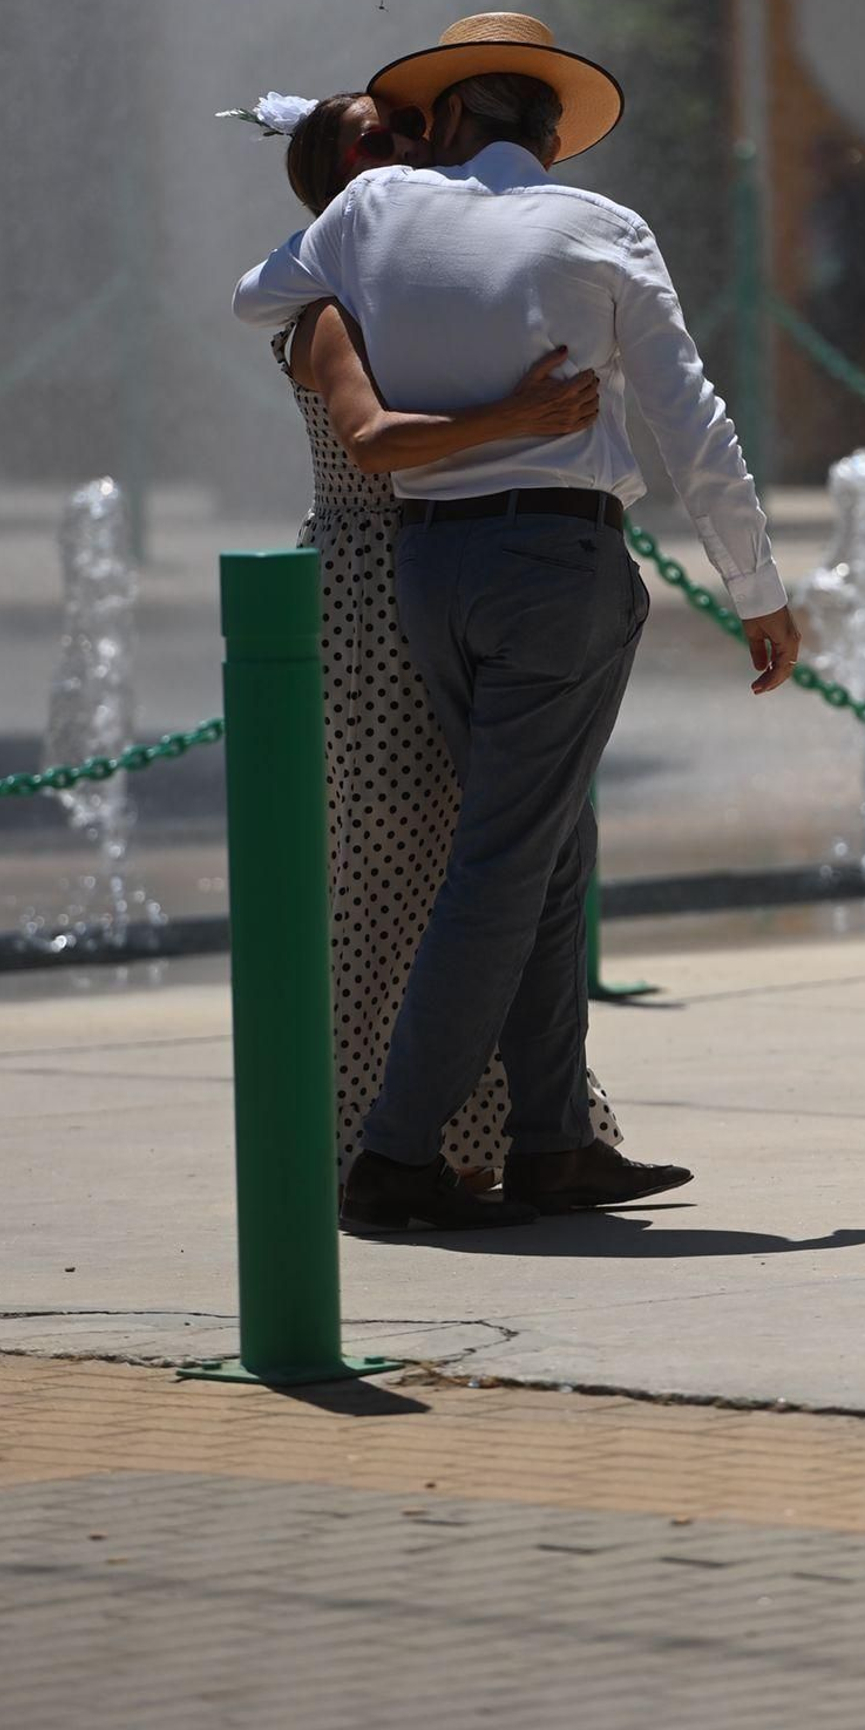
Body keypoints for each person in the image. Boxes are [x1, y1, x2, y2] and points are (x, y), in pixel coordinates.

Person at [235, 13, 800, 1235]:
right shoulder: (596, 225)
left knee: (545, 852)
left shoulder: (370, 218)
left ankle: (552, 1139)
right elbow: (687, 417)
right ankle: (396, 1154)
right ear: (549, 130)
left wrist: (352, 249)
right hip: (554, 559)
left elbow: (252, 295)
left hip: (430, 569)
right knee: (502, 861)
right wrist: (755, 587)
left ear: (447, 117)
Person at [231, 86, 628, 1201]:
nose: (409, 145)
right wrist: (519, 417)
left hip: (431, 570)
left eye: (414, 128)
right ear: (328, 173)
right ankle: (375, 1137)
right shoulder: (326, 304)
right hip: (371, 588)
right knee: (398, 871)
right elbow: (368, 442)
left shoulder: (408, 276)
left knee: (515, 857)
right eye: (379, 134)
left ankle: (528, 1129)